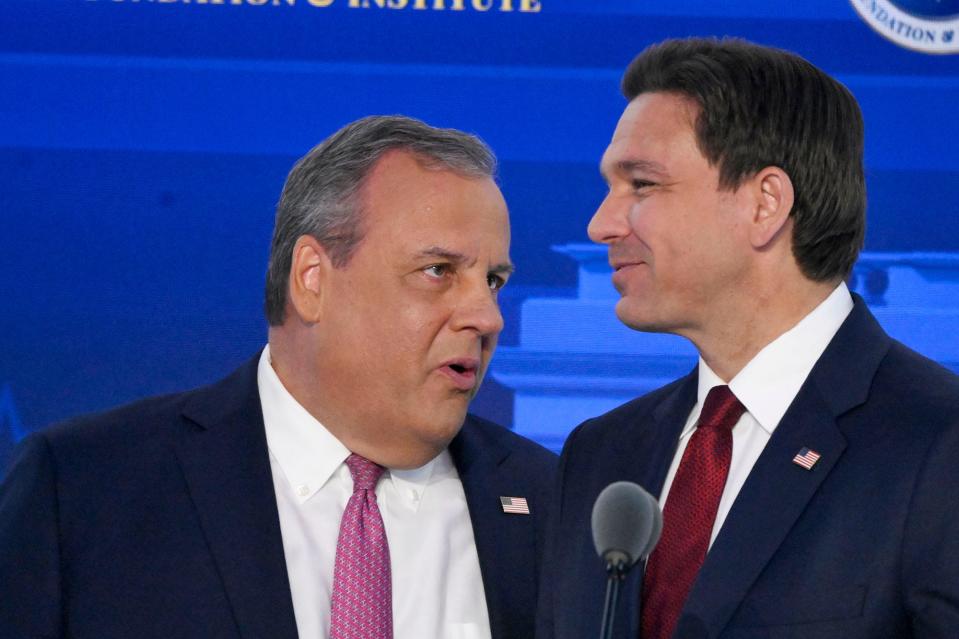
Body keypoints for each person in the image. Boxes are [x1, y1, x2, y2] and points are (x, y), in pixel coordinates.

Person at [0, 115, 556, 639]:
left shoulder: (555, 505)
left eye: (493, 280)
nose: (487, 316)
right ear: (313, 279)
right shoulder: (83, 488)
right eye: (438, 271)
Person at [536, 38, 959, 639]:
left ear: (765, 204)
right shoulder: (600, 456)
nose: (601, 223)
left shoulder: (939, 445)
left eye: (642, 185)